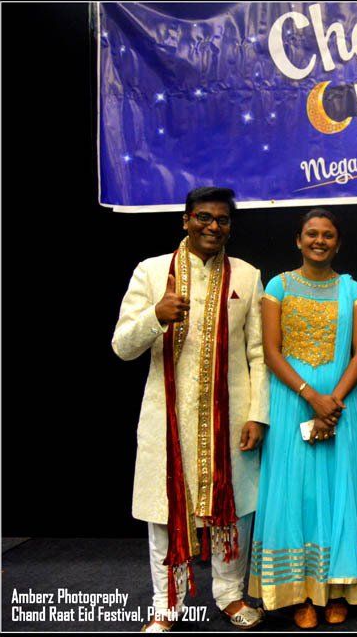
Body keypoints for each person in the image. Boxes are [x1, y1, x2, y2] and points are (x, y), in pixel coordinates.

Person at [112, 186, 268, 632]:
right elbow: (122, 347)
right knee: (165, 510)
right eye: (204, 217)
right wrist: (155, 315)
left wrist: (258, 413)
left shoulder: (246, 276)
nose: (213, 227)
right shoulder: (152, 272)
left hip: (231, 419)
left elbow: (257, 353)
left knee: (232, 509)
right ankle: (166, 603)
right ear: (185, 220)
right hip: (168, 420)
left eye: (222, 220)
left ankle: (230, 594)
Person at [248, 209, 357, 628]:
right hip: (292, 403)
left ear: (337, 244)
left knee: (340, 489)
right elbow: (271, 353)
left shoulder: (352, 289)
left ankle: (338, 589)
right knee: (299, 494)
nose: (319, 240)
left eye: (328, 235)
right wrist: (311, 397)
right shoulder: (278, 286)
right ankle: (302, 594)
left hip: (342, 405)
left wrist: (332, 402)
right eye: (312, 234)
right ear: (299, 240)